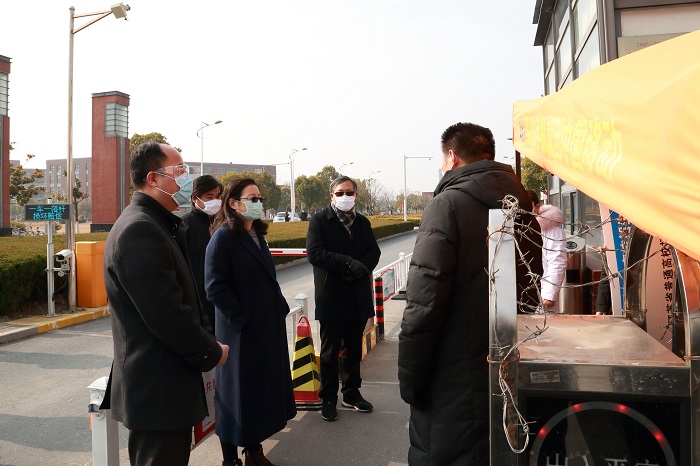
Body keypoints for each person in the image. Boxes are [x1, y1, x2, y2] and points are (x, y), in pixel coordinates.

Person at [398, 122, 543, 465]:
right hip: (509, 366)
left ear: (451, 157)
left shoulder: (446, 205)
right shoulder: (521, 208)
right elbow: (529, 292)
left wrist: (410, 380)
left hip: (451, 378)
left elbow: (424, 305)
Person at [102, 140, 229, 466]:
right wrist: (210, 351)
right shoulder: (139, 229)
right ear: (153, 178)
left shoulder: (159, 224)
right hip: (157, 390)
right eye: (179, 171)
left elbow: (186, 296)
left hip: (166, 386)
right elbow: (167, 313)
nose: (187, 179)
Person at [205, 178, 296, 466]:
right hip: (239, 332)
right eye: (252, 198)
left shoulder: (256, 234)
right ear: (233, 203)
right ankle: (230, 459)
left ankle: (254, 452)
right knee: (235, 395)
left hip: (264, 327)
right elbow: (215, 287)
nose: (258, 203)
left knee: (256, 393)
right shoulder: (223, 238)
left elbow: (267, 278)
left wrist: (278, 306)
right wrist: (241, 319)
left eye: (260, 198)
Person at [306, 175, 381, 422]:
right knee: (329, 353)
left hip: (357, 296)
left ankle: (351, 393)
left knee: (353, 351)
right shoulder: (319, 221)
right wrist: (347, 263)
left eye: (349, 192)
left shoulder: (363, 222)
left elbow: (374, 252)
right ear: (332, 196)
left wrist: (361, 268)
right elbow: (315, 253)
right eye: (340, 193)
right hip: (331, 297)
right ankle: (328, 398)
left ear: (356, 195)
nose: (345, 197)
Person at [177, 174, 223, 333]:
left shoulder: (222, 224)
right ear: (194, 198)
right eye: (209, 196)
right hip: (198, 303)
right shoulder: (184, 225)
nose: (215, 201)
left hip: (222, 301)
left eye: (218, 196)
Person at [536, 204, 568, 313]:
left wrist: (550, 294)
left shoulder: (552, 230)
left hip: (542, 291)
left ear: (537, 207)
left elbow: (556, 261)